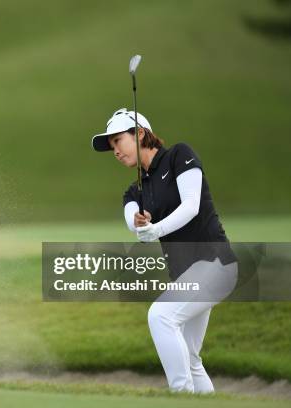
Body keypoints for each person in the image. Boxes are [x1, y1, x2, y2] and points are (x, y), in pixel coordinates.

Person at [91, 108, 238, 393]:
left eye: (118, 140)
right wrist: (139, 224)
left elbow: (192, 205)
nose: (115, 151)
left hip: (215, 264)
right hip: (190, 276)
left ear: (141, 134)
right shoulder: (135, 190)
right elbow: (133, 217)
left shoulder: (178, 156)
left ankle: (180, 397)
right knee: (191, 357)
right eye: (111, 147)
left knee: (161, 316)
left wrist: (155, 229)